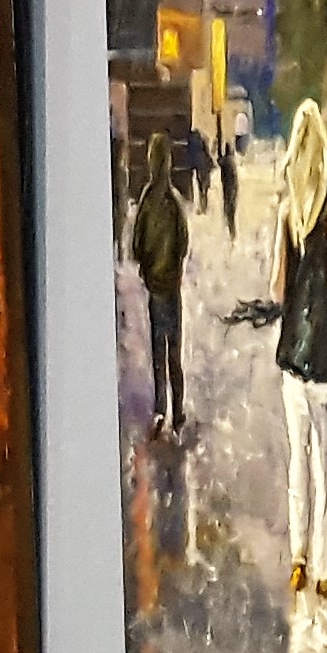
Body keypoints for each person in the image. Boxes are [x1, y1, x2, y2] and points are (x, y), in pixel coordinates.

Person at [270, 105, 327, 599]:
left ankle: (297, 557)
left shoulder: (287, 214)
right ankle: (324, 568)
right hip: (324, 355)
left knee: (297, 461)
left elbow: (277, 289)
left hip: (292, 353)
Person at [128, 137, 193, 434]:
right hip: (172, 287)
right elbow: (183, 243)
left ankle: (160, 409)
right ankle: (178, 413)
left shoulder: (146, 200)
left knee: (158, 353)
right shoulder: (174, 202)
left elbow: (136, 245)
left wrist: (146, 266)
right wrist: (175, 266)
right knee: (175, 352)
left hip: (154, 288)